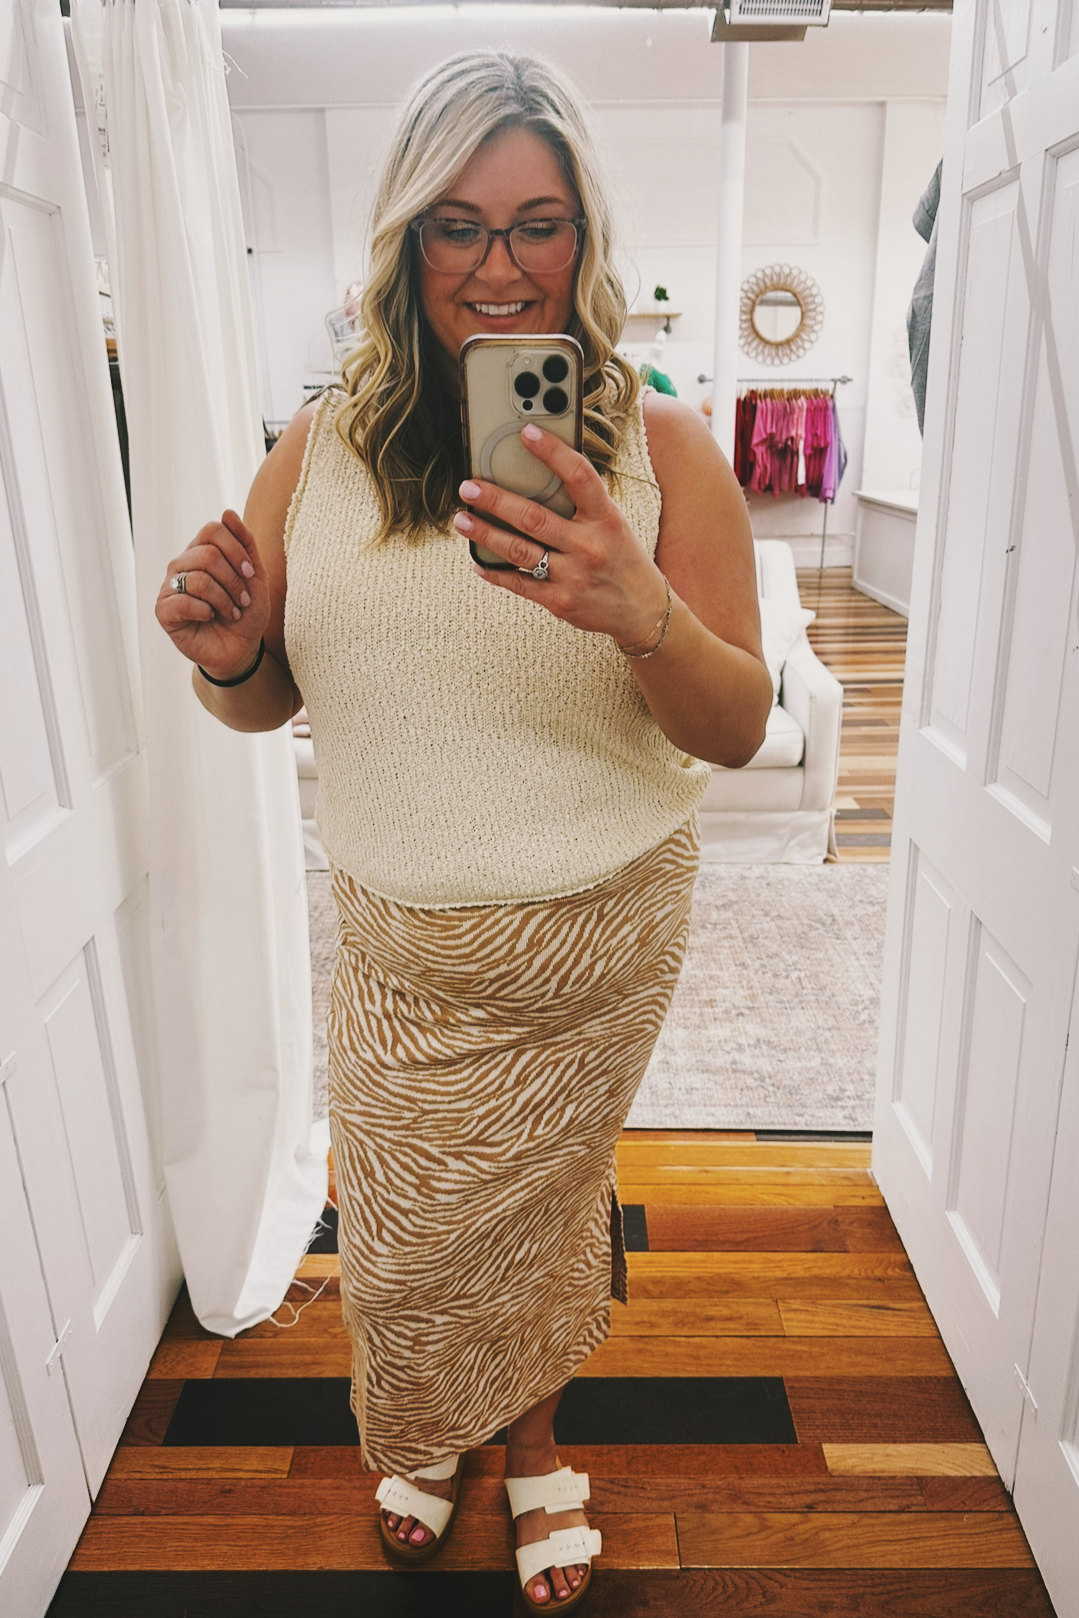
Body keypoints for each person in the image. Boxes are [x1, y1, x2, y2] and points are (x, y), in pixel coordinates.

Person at [155, 50, 772, 1613]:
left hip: (594, 935)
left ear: (585, 236)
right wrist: (224, 654)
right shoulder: (315, 454)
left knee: (545, 1206)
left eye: (537, 223)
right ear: (404, 240)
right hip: (398, 944)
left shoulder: (664, 451)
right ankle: (433, 1428)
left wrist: (639, 608)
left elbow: (733, 724)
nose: (499, 266)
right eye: (457, 224)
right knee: (407, 1233)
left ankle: (537, 1443)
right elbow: (265, 703)